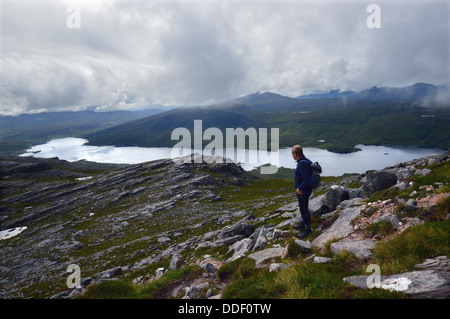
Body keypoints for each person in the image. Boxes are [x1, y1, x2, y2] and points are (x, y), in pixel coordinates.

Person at [291, 145, 313, 238]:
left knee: (304, 210)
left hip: (303, 191)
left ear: (295, 154)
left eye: (292, 153)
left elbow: (306, 179)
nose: (292, 155)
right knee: (303, 207)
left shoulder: (302, 164)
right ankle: (303, 223)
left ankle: (308, 229)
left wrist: (299, 188)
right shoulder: (304, 160)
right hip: (305, 190)